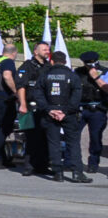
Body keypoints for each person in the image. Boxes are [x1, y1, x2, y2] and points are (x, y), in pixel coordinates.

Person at [23, 41, 89, 182]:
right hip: (69, 113)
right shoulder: (73, 76)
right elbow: (76, 97)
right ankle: (77, 173)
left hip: (49, 113)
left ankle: (57, 173)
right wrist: (65, 111)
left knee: (53, 142)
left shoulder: (44, 76)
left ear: (52, 61)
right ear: (65, 62)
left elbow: (37, 94)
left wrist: (49, 109)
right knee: (73, 143)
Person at [78, 50, 108, 174]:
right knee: (73, 136)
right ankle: (72, 162)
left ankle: (93, 163)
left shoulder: (105, 71)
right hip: (81, 109)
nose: (90, 67)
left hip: (98, 109)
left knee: (95, 138)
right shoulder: (78, 72)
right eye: (87, 65)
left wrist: (96, 76)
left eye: (92, 64)